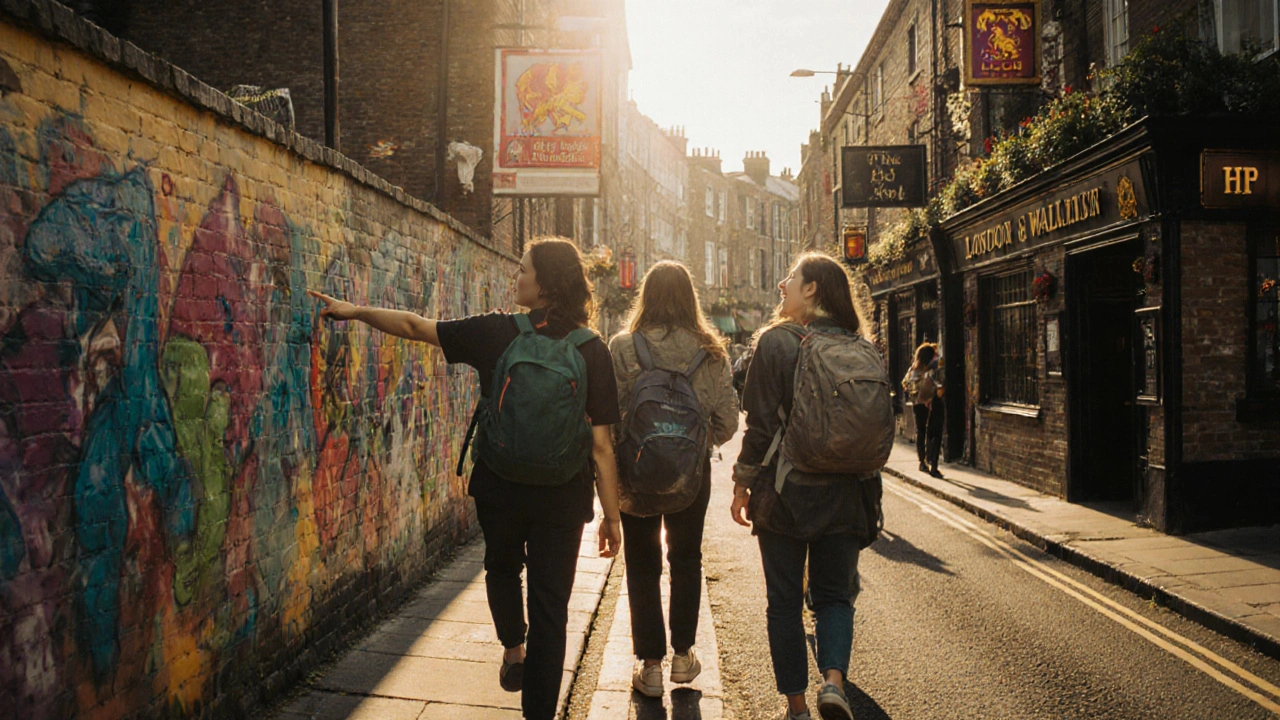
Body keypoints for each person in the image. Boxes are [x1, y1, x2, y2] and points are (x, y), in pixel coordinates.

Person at [309, 237, 623, 720]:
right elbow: (601, 446)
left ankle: (513, 649)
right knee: (552, 610)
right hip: (563, 497)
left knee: (500, 567)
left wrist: (354, 311)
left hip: (499, 486)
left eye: (523, 270)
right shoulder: (592, 349)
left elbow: (415, 326)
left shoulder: (498, 332)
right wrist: (611, 516)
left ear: (544, 285)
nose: (515, 277)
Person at [730, 253, 882, 720]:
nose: (782, 284)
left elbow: (757, 427)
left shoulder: (775, 343)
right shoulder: (859, 345)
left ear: (812, 289)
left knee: (784, 602)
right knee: (835, 597)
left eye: (792, 278)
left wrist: (742, 484)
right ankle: (833, 683)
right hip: (847, 494)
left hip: (786, 493)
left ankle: (796, 707)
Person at [608, 262, 740, 698]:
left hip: (636, 472)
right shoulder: (712, 350)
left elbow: (608, 418)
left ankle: (650, 668)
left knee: (642, 564)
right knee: (686, 560)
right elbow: (726, 421)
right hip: (690, 477)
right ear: (690, 298)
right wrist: (696, 444)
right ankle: (683, 656)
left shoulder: (624, 347)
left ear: (645, 295)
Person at [902, 343, 945, 478]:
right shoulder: (932, 370)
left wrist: (914, 395)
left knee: (921, 432)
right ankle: (933, 465)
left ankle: (922, 462)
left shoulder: (912, 370)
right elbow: (939, 390)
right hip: (932, 404)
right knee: (934, 434)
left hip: (917, 404)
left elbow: (904, 384)